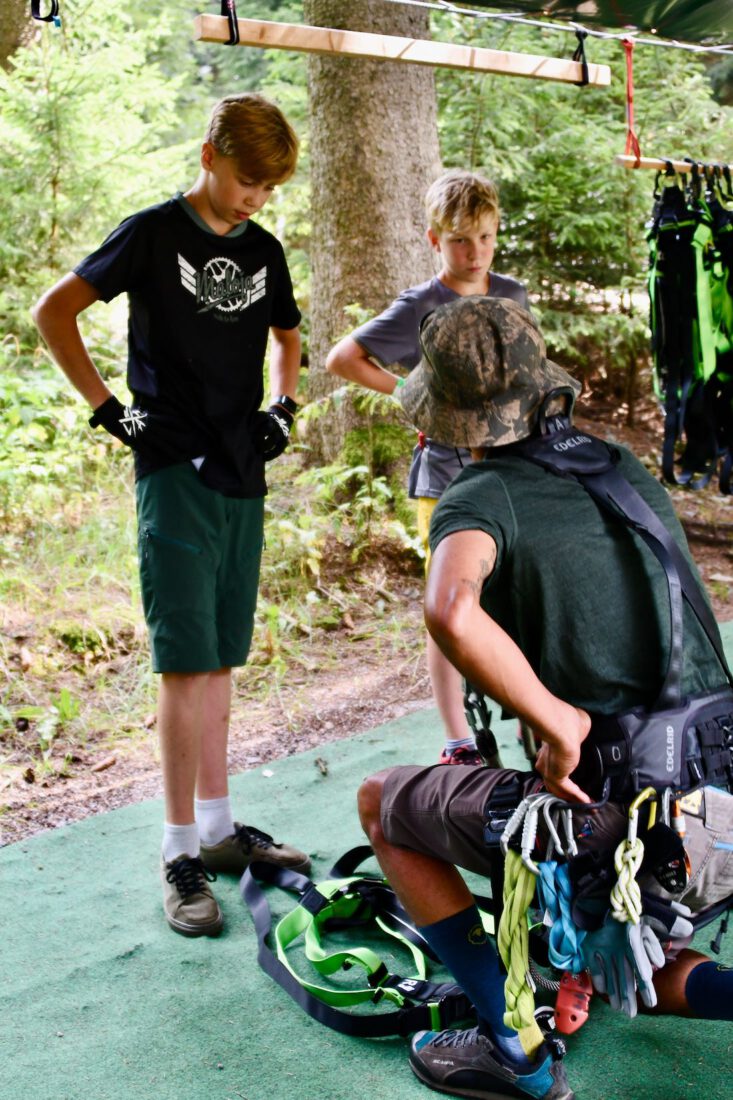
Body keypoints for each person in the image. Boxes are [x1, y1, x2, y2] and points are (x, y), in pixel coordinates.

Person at [358, 297, 733, 1100]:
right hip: (713, 792)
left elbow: (450, 609)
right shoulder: (617, 466)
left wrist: (556, 721)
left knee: (381, 803)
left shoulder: (477, 497)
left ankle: (513, 1046)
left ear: (446, 414)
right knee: (629, 949)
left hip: (613, 813)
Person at [32, 92, 312, 939]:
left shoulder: (262, 248)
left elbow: (288, 338)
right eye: (245, 180)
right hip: (175, 470)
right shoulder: (151, 233)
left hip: (241, 468)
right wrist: (111, 410)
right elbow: (54, 311)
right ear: (209, 153)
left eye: (269, 188)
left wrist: (284, 406)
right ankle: (178, 848)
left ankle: (223, 831)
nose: (255, 198)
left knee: (223, 657)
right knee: (184, 663)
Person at [327, 170, 529, 767]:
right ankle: (458, 738)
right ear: (433, 239)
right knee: (450, 607)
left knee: (514, 599)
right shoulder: (422, 304)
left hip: (514, 470)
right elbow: (345, 358)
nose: (475, 253)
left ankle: (529, 721)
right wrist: (413, 393)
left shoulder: (512, 294)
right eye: (461, 241)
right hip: (444, 477)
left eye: (487, 238)